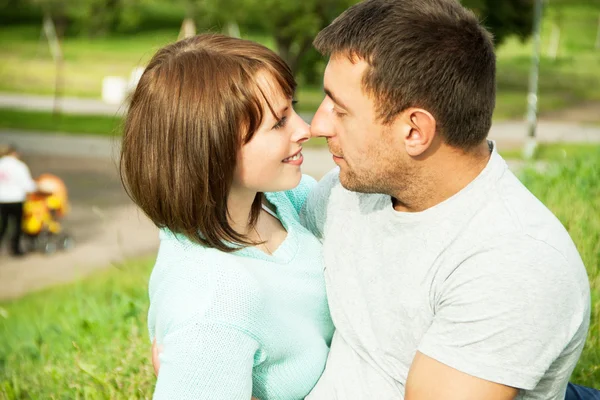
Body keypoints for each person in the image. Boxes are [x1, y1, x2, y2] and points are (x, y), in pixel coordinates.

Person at [300, 0, 592, 399]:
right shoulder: (346, 192)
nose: (316, 125)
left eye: (340, 109)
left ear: (415, 131)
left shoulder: (515, 264)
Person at [120, 33, 334, 399]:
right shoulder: (213, 303)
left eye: (293, 108)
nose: (305, 129)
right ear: (212, 149)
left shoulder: (284, 200)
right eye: (279, 122)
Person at [0, 144, 36, 256]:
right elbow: (28, 185)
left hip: (1, 199)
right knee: (17, 225)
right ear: (14, 153)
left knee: (3, 225)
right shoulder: (19, 166)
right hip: (16, 199)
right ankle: (15, 249)